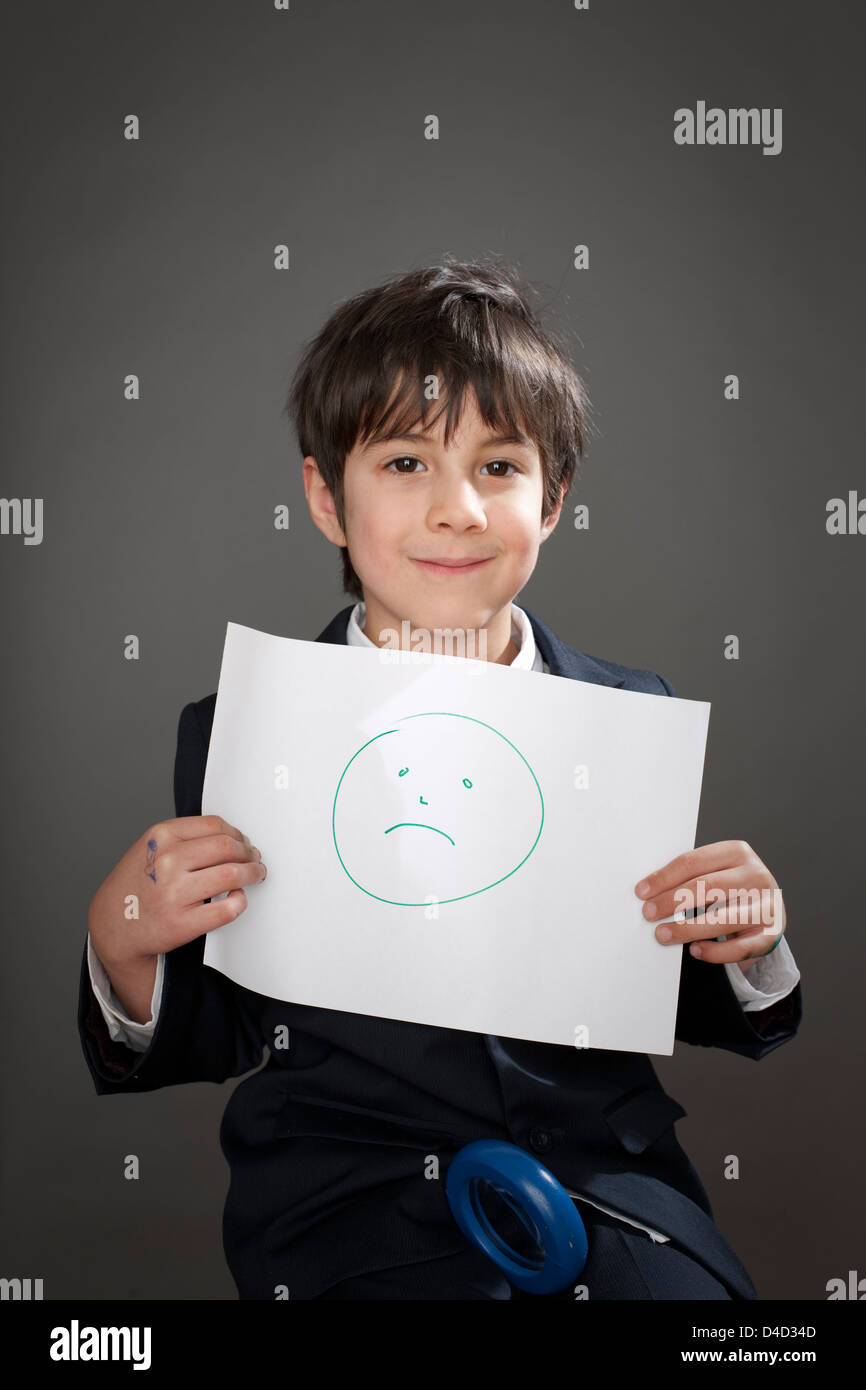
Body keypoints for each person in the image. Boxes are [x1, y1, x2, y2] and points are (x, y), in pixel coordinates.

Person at [79, 257, 802, 1300]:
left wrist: (749, 941)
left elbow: (663, 977)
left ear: (553, 499)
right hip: (357, 1211)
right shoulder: (245, 728)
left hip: (611, 1197)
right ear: (325, 498)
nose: (456, 508)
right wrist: (123, 943)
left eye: (498, 467)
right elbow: (219, 1025)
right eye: (406, 463)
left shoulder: (627, 713)